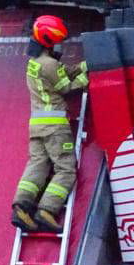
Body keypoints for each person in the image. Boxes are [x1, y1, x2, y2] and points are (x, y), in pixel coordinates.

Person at [12, 16, 89, 233]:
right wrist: (88, 77)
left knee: (38, 164)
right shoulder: (50, 64)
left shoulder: (35, 63)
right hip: (55, 127)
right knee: (66, 169)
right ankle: (47, 210)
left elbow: (64, 72)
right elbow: (68, 87)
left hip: (36, 125)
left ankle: (21, 206)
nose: (59, 45)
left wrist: (85, 65)